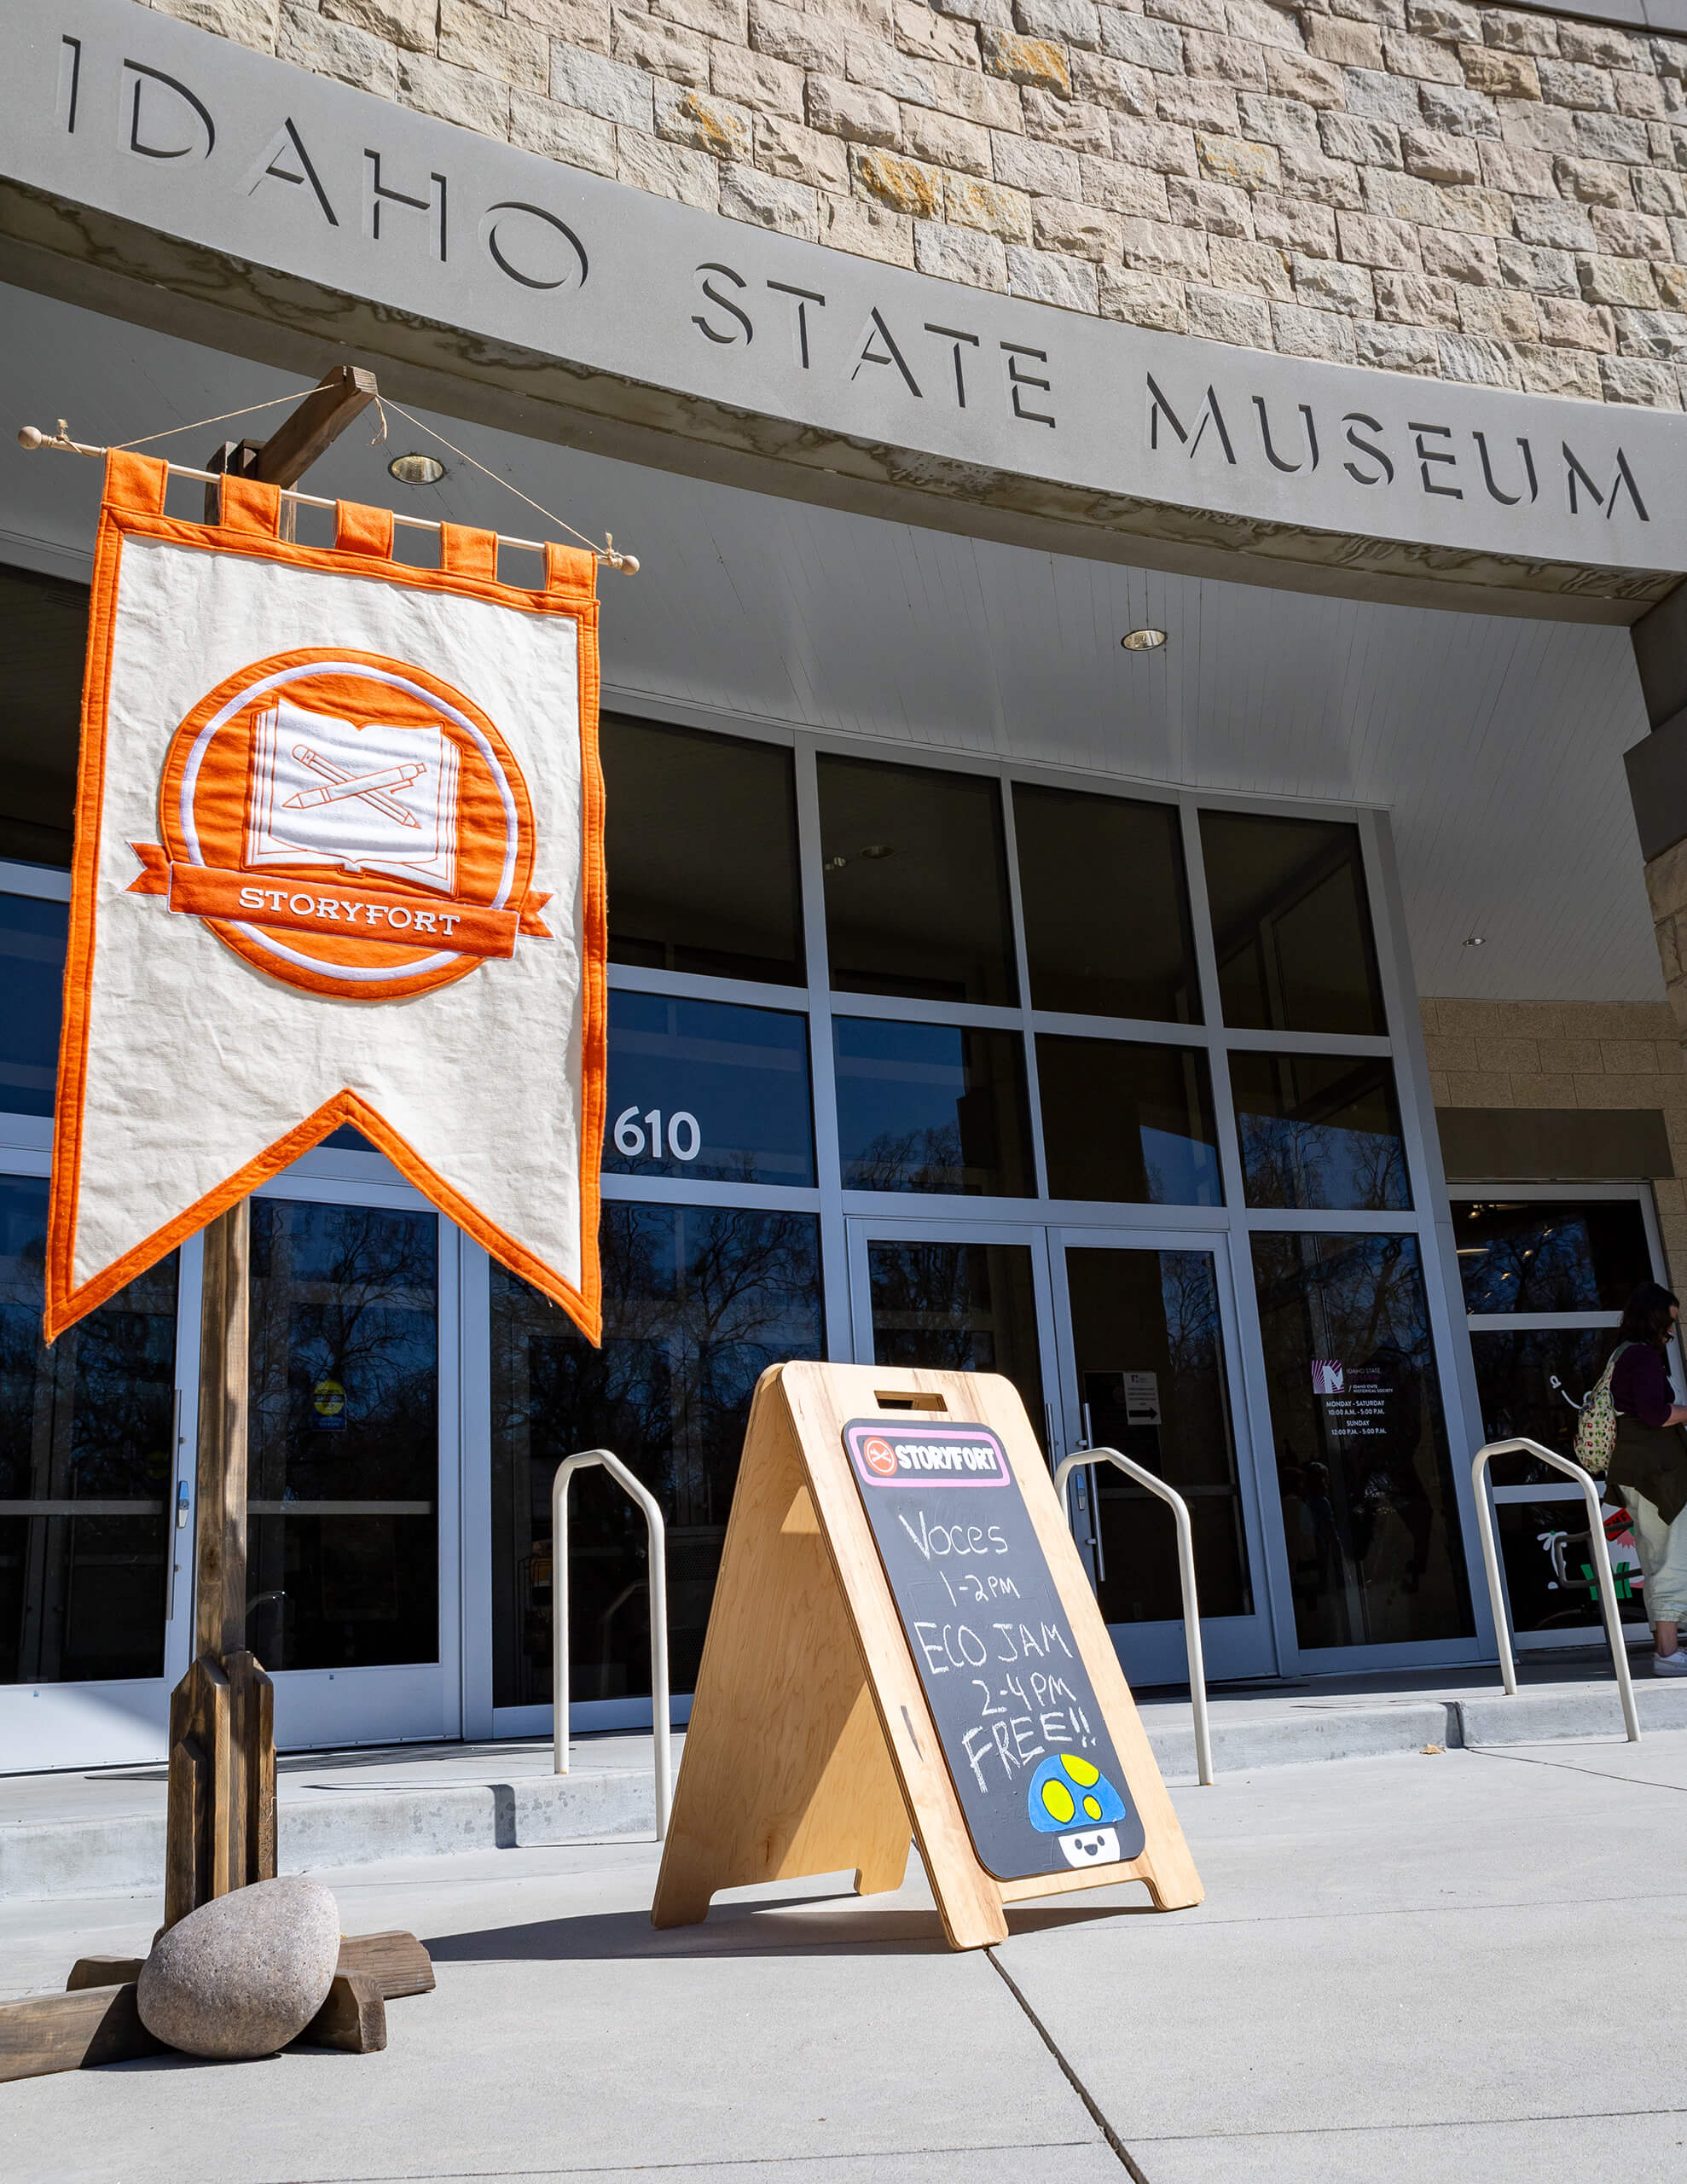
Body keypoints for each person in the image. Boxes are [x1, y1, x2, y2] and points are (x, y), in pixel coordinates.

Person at [1608, 1281, 1687, 1676]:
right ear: (1652, 1319)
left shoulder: (1622, 1356)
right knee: (1670, 1559)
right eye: (1668, 1323)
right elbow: (1656, 1415)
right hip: (1658, 1474)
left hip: (1636, 1471)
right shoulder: (1641, 1358)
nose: (1671, 1333)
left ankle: (1665, 1650)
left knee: (1656, 1557)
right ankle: (1669, 1653)